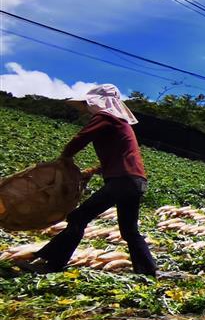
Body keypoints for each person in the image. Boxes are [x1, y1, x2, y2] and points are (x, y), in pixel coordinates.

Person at [30, 84, 157, 276]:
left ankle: (51, 263)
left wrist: (64, 157)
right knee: (129, 230)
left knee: (78, 217)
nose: (88, 108)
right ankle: (148, 271)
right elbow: (121, 157)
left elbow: (81, 138)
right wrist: (93, 170)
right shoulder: (121, 124)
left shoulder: (107, 117)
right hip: (135, 181)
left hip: (122, 181)